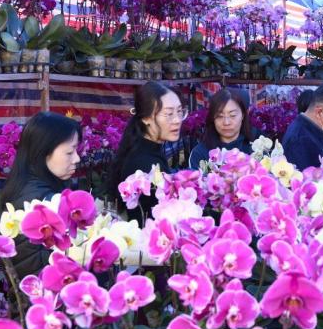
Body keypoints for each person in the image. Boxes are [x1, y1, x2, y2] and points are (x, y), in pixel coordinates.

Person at [0, 112, 81, 278]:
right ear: (43, 153)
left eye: (77, 150)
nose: (77, 158)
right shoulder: (41, 202)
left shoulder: (21, 186)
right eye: (70, 152)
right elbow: (46, 268)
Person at [108, 81, 185, 226]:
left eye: (179, 112)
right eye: (168, 114)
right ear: (146, 118)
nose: (177, 120)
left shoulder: (145, 149)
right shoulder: (144, 163)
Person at [189, 89, 255, 169]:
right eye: (220, 116)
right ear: (212, 118)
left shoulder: (256, 149)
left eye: (232, 115)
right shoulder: (199, 153)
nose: (226, 122)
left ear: (243, 115)